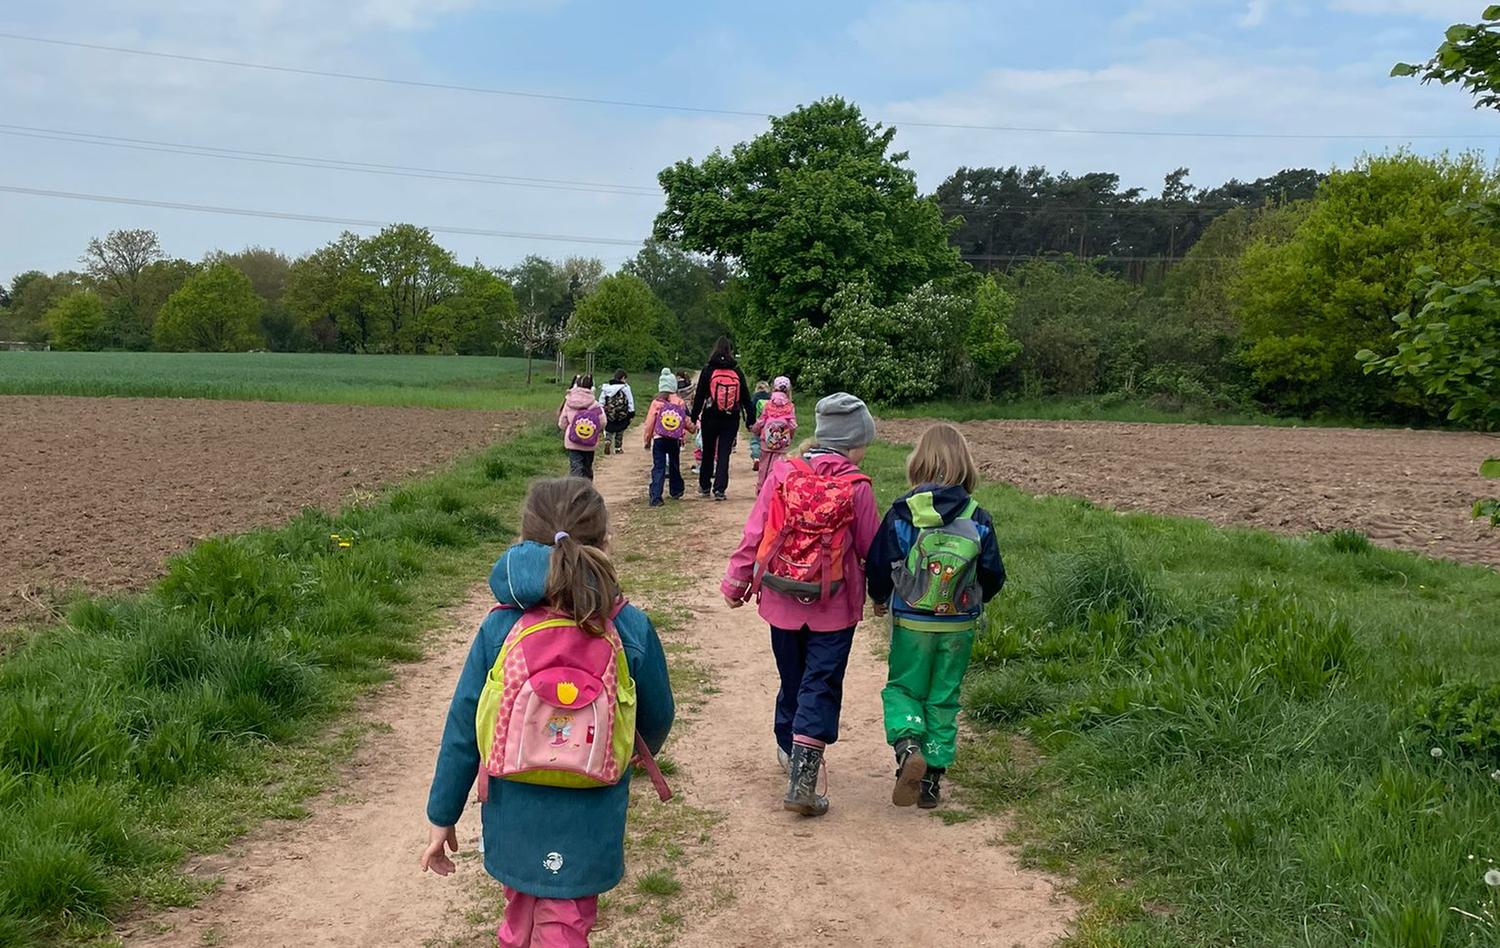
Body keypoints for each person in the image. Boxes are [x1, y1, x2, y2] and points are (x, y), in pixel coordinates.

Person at [422, 478, 675, 948]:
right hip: (591, 808)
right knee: (567, 920)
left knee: (519, 908)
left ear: (523, 541)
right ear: (604, 543)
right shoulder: (628, 624)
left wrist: (442, 815)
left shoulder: (501, 624)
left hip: (513, 805)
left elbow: (463, 724)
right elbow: (657, 715)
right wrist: (626, 753)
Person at [720, 394, 879, 817]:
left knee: (793, 679)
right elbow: (870, 549)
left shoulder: (784, 473)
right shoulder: (857, 487)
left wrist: (736, 582)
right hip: (835, 607)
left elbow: (756, 531)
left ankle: (788, 748)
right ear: (853, 443)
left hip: (781, 598)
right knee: (820, 683)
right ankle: (804, 777)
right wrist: (881, 594)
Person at [867, 424, 1005, 810]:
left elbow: (880, 562)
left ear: (918, 463)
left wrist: (878, 596)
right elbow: (994, 572)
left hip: (912, 621)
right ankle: (930, 782)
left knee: (904, 688)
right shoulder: (978, 516)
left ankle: (908, 744)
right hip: (958, 623)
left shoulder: (903, 512)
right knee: (943, 697)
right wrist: (977, 600)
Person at [689, 338, 753, 501]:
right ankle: (720, 489)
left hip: (710, 416)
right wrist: (750, 419)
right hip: (731, 418)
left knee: (708, 451)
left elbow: (700, 397)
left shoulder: (708, 369)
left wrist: (693, 417)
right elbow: (746, 397)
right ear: (730, 351)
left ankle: (704, 486)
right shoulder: (737, 371)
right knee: (724, 453)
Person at [641, 368, 694, 507]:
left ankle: (656, 496)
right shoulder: (679, 402)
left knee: (658, 467)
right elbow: (685, 419)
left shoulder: (656, 402)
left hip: (659, 439)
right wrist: (693, 429)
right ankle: (676, 490)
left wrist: (647, 439)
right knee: (674, 464)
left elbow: (649, 423)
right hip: (674, 439)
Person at [751, 377, 797, 493]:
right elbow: (792, 425)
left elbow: (761, 421)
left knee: (763, 467)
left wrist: (755, 430)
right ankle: (773, 489)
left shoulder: (768, 404)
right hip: (782, 443)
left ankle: (761, 489)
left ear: (773, 388)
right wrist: (789, 437)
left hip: (766, 441)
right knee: (775, 467)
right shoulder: (790, 406)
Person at [557, 375, 602, 481]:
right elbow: (603, 421)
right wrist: (596, 431)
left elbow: (562, 422)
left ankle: (576, 487)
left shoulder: (569, 402)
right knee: (587, 466)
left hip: (573, 441)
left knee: (575, 466)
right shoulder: (595, 404)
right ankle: (587, 488)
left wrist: (567, 428)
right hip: (590, 441)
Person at [599, 370, 635, 456]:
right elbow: (630, 401)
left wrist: (601, 410)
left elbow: (601, 400)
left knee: (608, 428)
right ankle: (618, 448)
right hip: (622, 414)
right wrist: (631, 412)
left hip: (609, 413)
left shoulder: (607, 387)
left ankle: (608, 440)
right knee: (620, 430)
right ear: (622, 378)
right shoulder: (625, 388)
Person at [748, 381, 771, 471]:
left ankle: (756, 457)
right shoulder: (771, 398)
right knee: (766, 442)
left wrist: (749, 424)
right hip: (769, 425)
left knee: (756, 441)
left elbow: (751, 412)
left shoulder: (754, 398)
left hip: (757, 424)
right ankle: (766, 461)